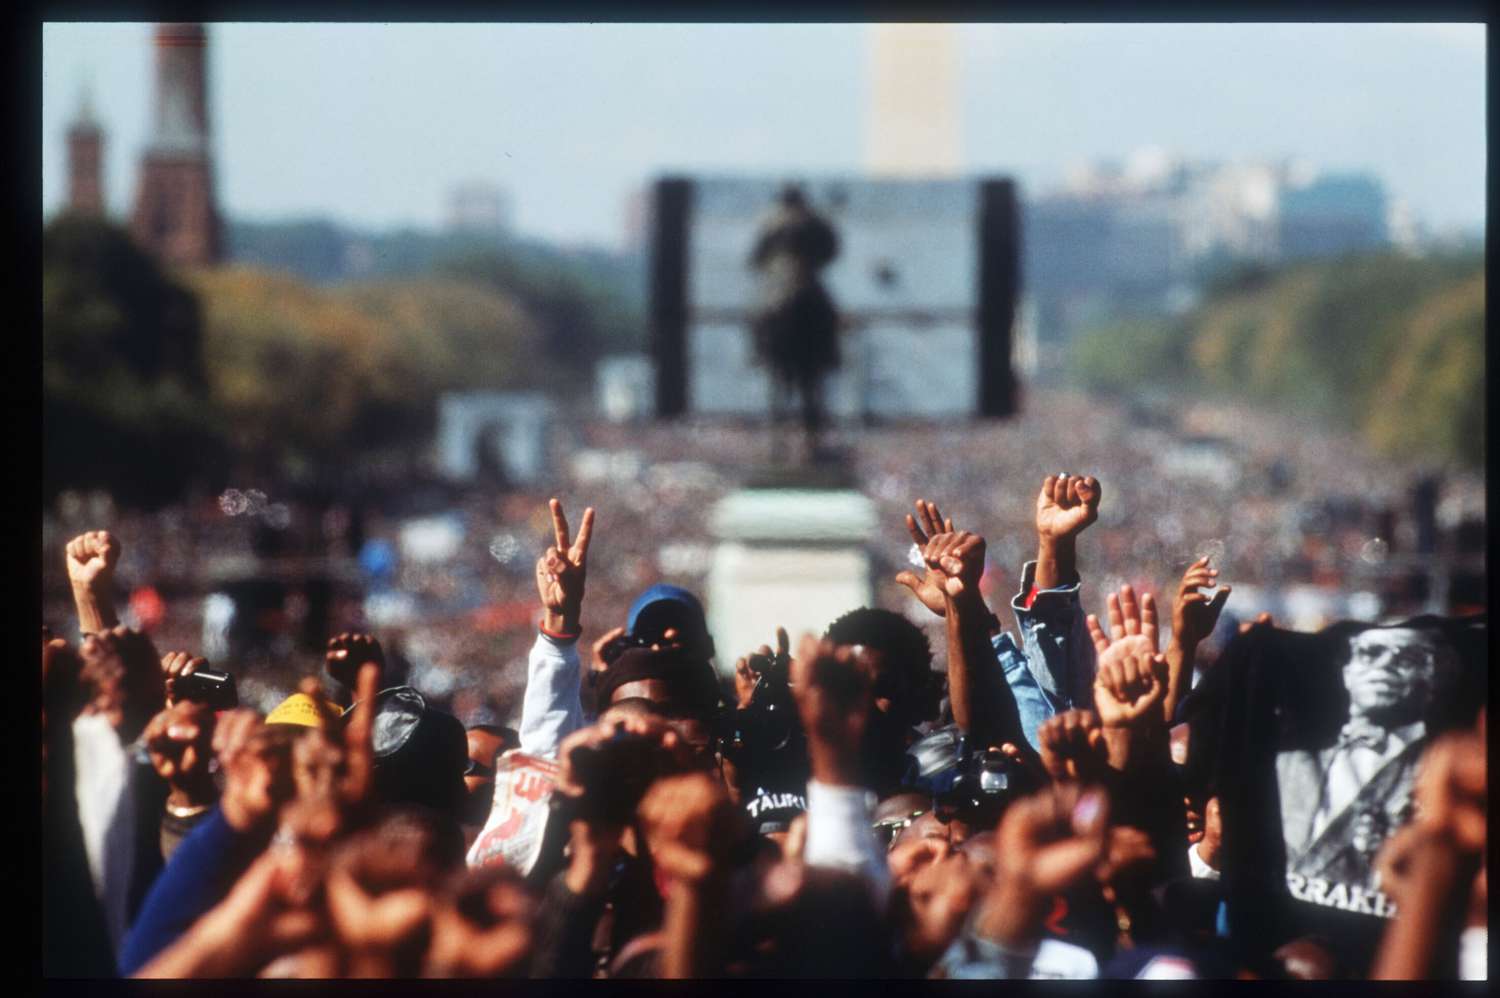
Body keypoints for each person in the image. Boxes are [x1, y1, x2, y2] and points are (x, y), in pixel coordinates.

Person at [1276, 626, 1458, 895]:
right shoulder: (1288, 764)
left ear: (1434, 678)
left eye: (1407, 658)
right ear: (1347, 672)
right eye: (1370, 653)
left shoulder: (1446, 776)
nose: (1385, 665)